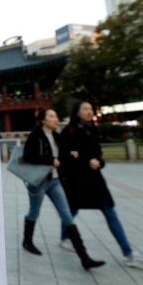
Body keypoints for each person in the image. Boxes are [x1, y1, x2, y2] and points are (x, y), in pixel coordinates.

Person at [59, 101, 143, 267]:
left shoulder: (92, 129)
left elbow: (98, 153)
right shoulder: (69, 132)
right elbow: (66, 158)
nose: (89, 112)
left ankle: (129, 253)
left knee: (109, 212)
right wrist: (86, 162)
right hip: (77, 181)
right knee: (72, 210)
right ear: (77, 112)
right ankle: (64, 237)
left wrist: (98, 162)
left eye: (91, 109)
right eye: (85, 109)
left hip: (95, 180)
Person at [21, 108, 105, 270]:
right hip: (39, 182)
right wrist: (50, 160)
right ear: (42, 120)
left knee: (67, 215)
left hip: (55, 181)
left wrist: (72, 154)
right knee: (34, 212)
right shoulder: (35, 136)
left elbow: (63, 155)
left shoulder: (57, 136)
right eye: (52, 116)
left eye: (56, 116)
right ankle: (27, 241)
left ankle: (84, 257)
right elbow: (28, 156)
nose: (55, 119)